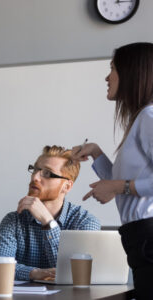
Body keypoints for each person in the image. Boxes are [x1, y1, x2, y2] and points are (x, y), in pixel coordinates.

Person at [72, 42, 153, 299]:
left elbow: (120, 186)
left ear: (132, 73)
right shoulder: (140, 119)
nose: (107, 77)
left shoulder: (149, 117)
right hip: (138, 237)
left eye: (113, 69)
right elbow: (120, 183)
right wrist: (96, 152)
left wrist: (119, 187)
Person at [0, 145, 100, 281]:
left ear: (67, 186)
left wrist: (48, 223)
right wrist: (34, 273)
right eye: (35, 169)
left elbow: (74, 273)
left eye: (47, 173)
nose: (35, 177)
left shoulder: (85, 222)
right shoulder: (13, 220)